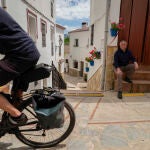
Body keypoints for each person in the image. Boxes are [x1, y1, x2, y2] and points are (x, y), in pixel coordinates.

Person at [0, 7, 40, 128]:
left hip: (21, 55)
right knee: (15, 96)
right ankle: (9, 119)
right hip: (27, 52)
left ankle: (17, 116)